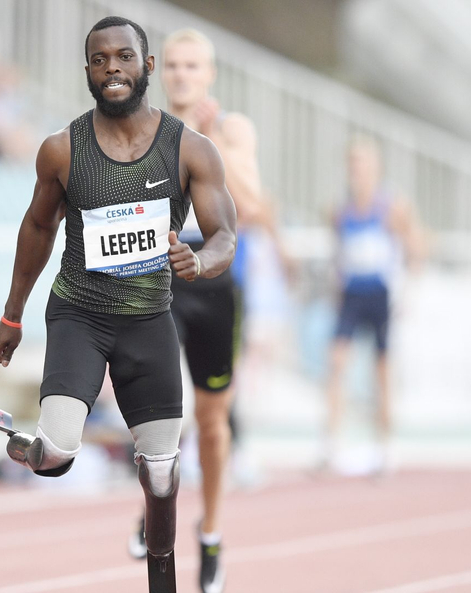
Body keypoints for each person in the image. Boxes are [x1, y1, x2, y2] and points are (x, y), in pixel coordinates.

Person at [0, 16, 236, 585]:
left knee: (164, 476)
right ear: (87, 72)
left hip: (148, 321)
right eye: (100, 61)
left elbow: (225, 235)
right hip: (80, 315)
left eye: (124, 57)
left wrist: (200, 262)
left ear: (146, 67)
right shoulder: (61, 150)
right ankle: (12, 434)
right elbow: (36, 228)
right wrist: (12, 314)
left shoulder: (189, 149)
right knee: (55, 459)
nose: (112, 69)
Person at [123, 28, 280, 593]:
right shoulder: (142, 128)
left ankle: (210, 532)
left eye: (196, 66)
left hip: (213, 281)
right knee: (160, 410)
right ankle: (155, 511)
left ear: (209, 73)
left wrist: (208, 137)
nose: (185, 75)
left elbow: (256, 208)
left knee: (213, 425)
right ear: (162, 71)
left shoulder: (231, 129)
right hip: (158, 277)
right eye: (177, 66)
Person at [325, 135, 422, 475]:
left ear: (376, 167)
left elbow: (417, 247)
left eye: (364, 163)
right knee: (336, 364)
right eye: (353, 163)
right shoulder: (342, 208)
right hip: (352, 294)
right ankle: (333, 445)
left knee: (381, 372)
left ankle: (386, 447)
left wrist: (408, 290)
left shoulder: (391, 206)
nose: (358, 170)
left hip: (380, 294)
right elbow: (339, 252)